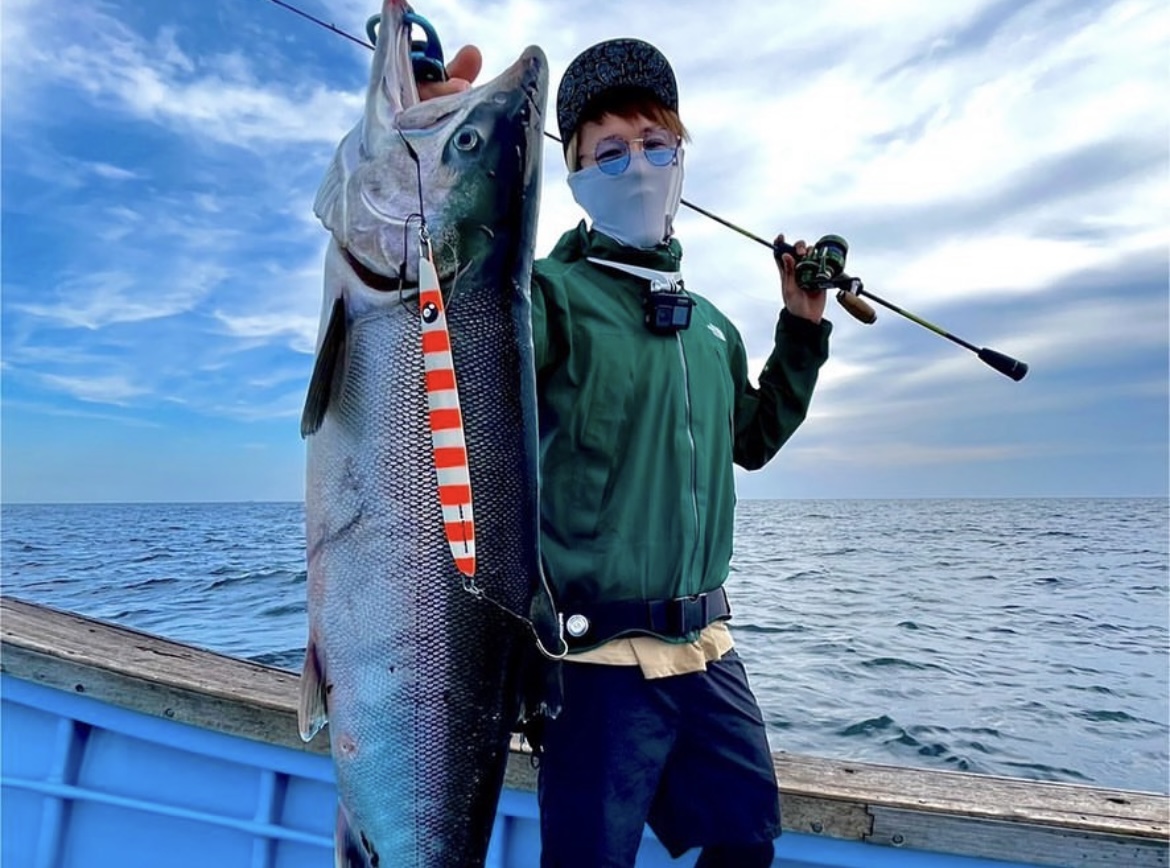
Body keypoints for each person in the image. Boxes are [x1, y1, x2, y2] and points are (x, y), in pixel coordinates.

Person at [424, 37, 831, 868]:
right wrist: (439, 168)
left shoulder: (711, 325)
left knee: (746, 843)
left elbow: (749, 442)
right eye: (608, 152)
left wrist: (803, 323)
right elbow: (460, 335)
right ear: (571, 173)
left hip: (708, 652)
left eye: (655, 145)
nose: (637, 167)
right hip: (592, 665)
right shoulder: (545, 298)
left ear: (682, 157)